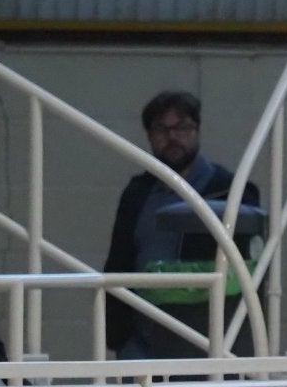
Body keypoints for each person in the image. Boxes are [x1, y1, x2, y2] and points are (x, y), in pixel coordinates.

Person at [102, 91, 261, 360]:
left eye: (182, 127)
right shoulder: (137, 192)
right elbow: (119, 259)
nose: (172, 137)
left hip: (205, 337)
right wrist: (119, 334)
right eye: (161, 129)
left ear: (197, 130)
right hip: (141, 339)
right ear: (149, 136)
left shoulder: (231, 191)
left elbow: (244, 271)